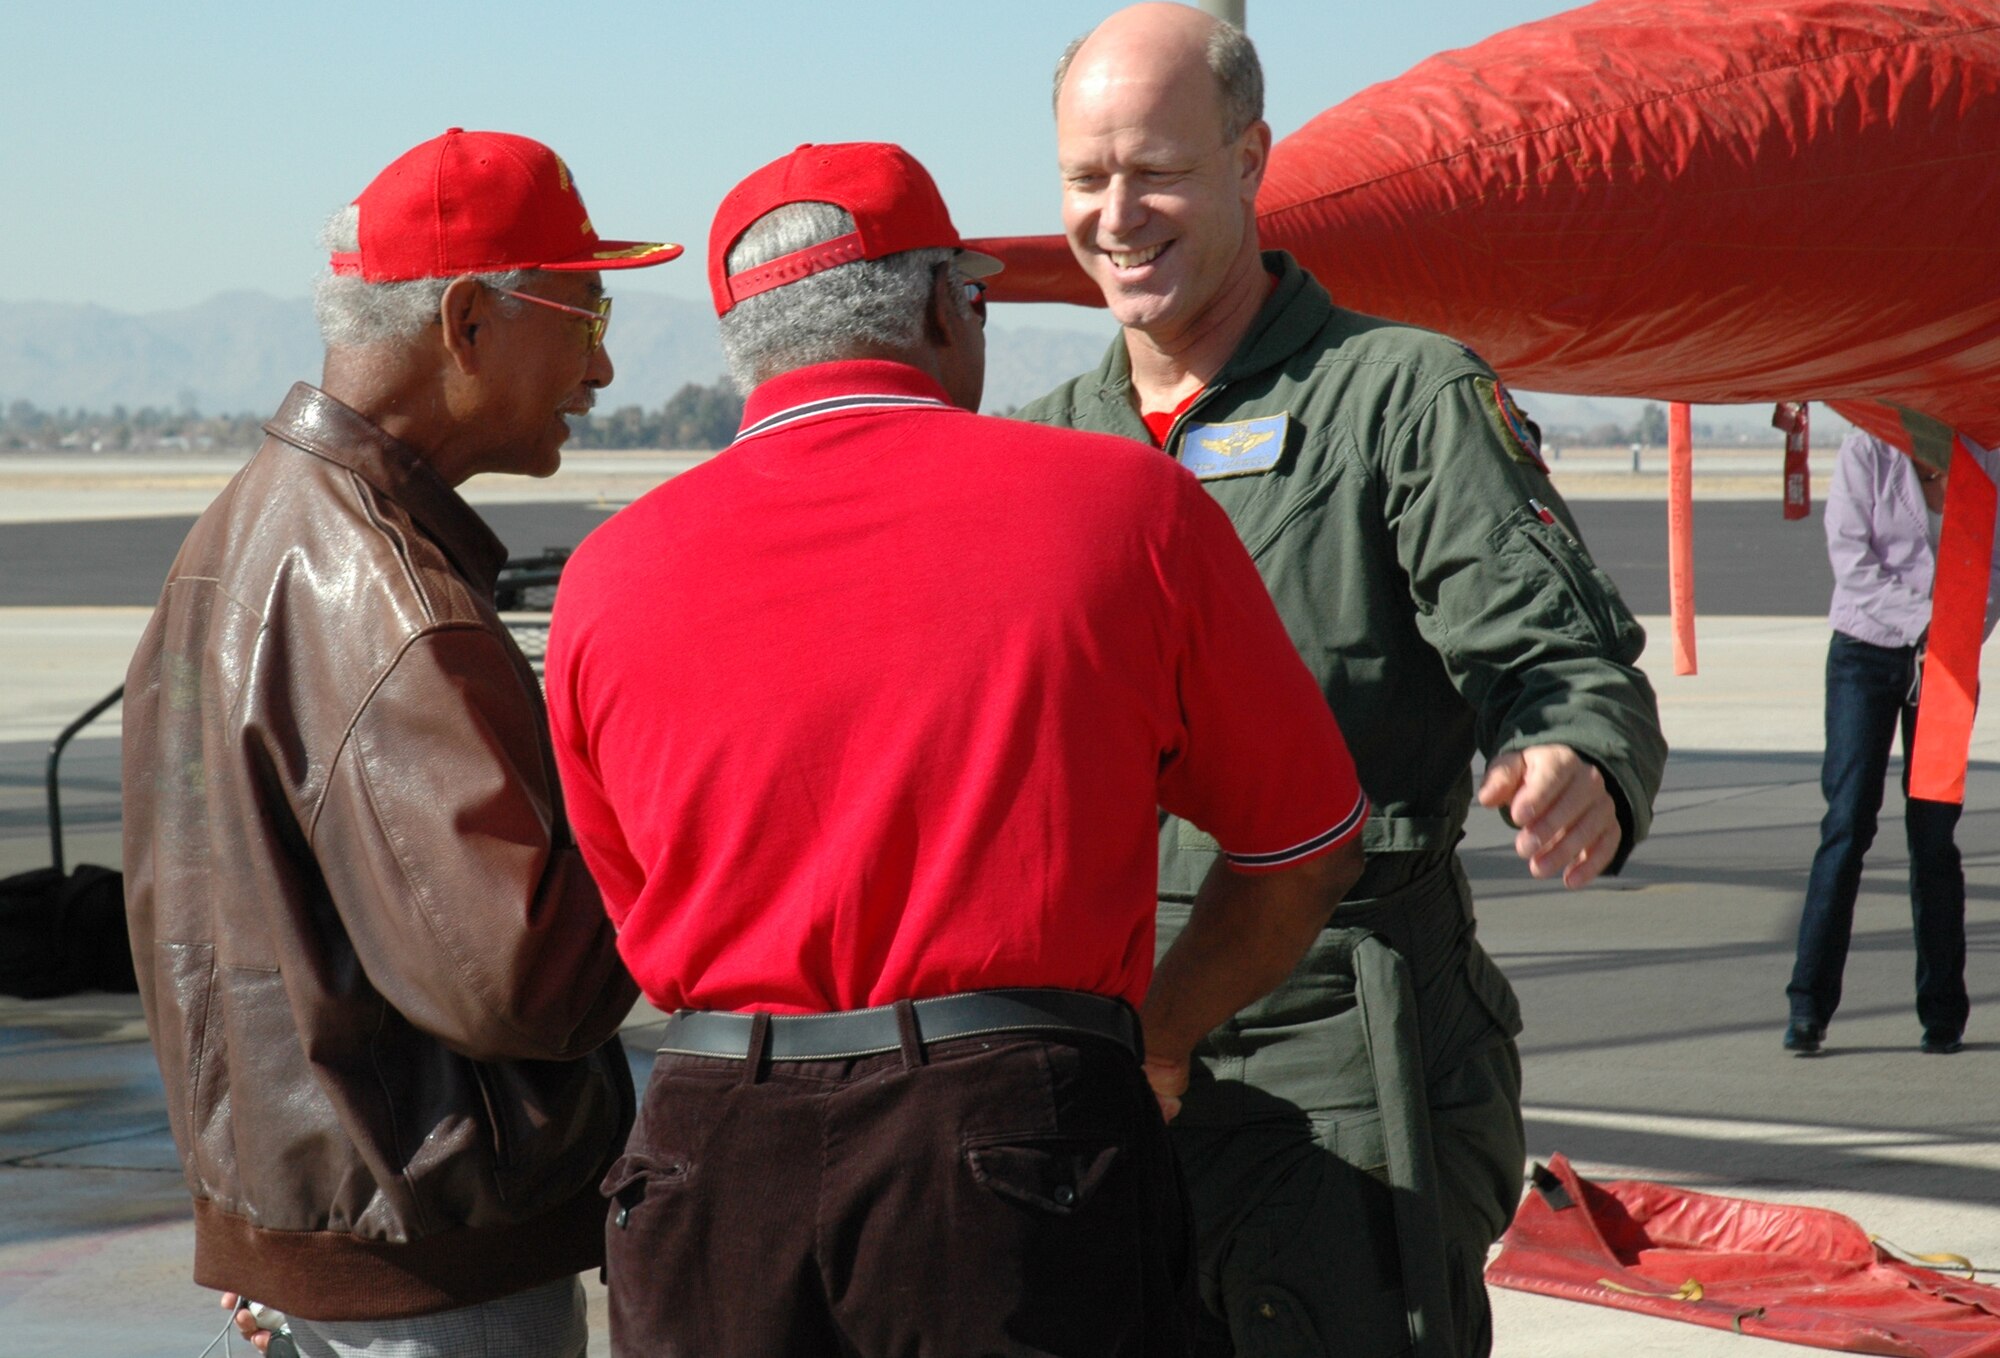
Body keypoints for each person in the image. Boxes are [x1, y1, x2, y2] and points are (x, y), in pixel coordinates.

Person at [543, 140, 1371, 1358]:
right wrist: (1160, 1031)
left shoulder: (605, 576)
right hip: (1009, 1137)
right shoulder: (1125, 506)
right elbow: (1303, 842)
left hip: (706, 1148)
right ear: (943, 304)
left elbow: (636, 908)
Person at [1016, 3, 1667, 1357]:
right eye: (1088, 178)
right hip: (1092, 1051)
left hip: (1338, 1054)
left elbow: (1555, 653)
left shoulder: (1400, 397)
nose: (1119, 213)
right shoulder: (1035, 454)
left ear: (1252, 160)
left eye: (1160, 171)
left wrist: (1575, 755)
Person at [122, 127, 677, 1357]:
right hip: (430, 1283)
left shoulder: (232, 535)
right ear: (469, 320)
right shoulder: (385, 598)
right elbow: (523, 984)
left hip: (318, 1253)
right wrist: (656, 790)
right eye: (583, 317)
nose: (602, 369)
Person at [1785, 430, 2000, 1056]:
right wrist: (1927, 625)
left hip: (1948, 660)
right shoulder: (1866, 448)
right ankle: (1808, 1006)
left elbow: (1993, 564)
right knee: (1848, 823)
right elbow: (1852, 562)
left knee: (1934, 834)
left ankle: (1943, 1012)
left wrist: (1955, 633)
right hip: (1865, 653)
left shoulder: (1983, 449)